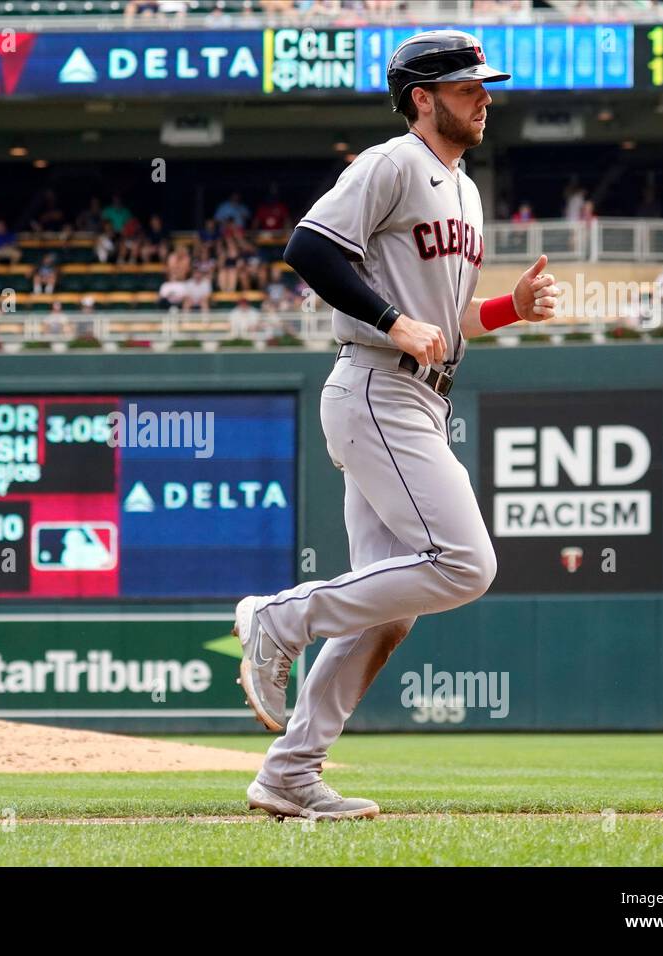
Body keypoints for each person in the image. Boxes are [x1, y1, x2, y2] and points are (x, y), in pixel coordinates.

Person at [236, 30, 559, 821]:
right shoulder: (389, 162)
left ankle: (289, 774)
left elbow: (444, 321)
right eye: (468, 85)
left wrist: (506, 311)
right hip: (377, 389)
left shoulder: (466, 190)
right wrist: (390, 319)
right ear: (423, 97)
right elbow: (306, 247)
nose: (485, 95)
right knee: (465, 564)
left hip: (419, 394)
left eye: (485, 84)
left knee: (392, 609)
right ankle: (278, 619)